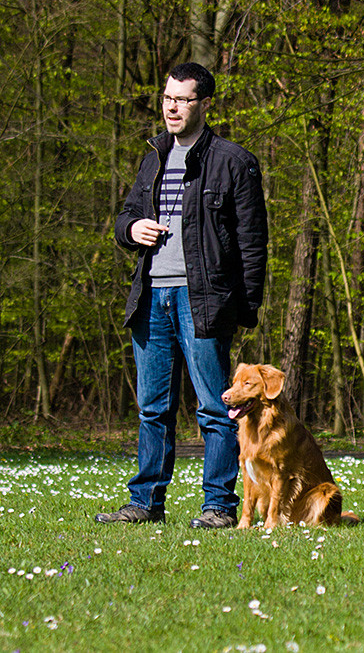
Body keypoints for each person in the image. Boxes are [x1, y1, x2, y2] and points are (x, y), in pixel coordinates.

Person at [96, 62, 268, 528]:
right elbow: (122, 220)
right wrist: (133, 228)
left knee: (215, 408)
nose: (173, 107)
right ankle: (146, 502)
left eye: (184, 99)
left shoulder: (234, 161)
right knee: (153, 408)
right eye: (168, 98)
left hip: (205, 303)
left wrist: (245, 308)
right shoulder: (152, 156)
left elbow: (253, 241)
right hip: (150, 298)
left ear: (205, 104)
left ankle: (219, 506)